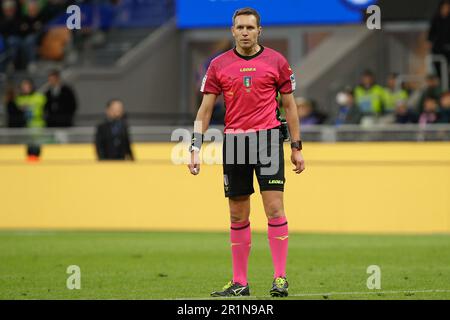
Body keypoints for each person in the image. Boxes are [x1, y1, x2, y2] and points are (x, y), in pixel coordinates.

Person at [188, 7, 305, 297]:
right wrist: (194, 146)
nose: (244, 32)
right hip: (236, 143)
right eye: (239, 27)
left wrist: (296, 147)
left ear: (259, 31)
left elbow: (289, 107)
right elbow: (205, 110)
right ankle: (240, 282)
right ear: (232, 31)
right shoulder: (218, 65)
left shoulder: (276, 62)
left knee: (274, 208)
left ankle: (280, 278)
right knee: (237, 214)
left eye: (250, 28)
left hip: (267, 140)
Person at [428, 0, 450, 86]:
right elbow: (431, 35)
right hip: (438, 49)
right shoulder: (436, 19)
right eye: (445, 7)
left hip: (448, 49)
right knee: (438, 67)